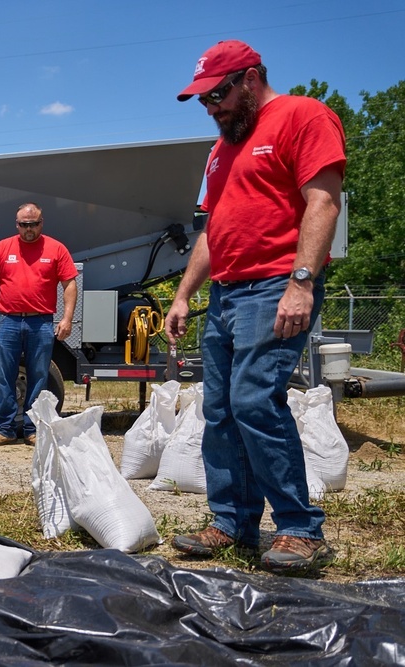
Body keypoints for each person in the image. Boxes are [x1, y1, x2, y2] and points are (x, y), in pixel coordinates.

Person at [166, 40, 346, 573]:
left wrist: (301, 281)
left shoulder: (303, 116)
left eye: (217, 95)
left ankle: (298, 528)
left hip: (275, 286)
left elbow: (324, 201)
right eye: (202, 100)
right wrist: (183, 294)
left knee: (252, 400)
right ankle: (232, 522)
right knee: (218, 409)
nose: (211, 107)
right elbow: (212, 230)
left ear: (250, 78)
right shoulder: (222, 148)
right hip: (225, 291)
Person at [0, 202, 77, 448]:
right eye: (24, 224)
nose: (29, 229)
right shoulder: (2, 248)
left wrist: (67, 318)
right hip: (7, 321)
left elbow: (70, 285)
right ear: (17, 224)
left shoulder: (57, 249)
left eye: (34, 224)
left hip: (41, 323)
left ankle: (33, 430)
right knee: (3, 376)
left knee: (39, 376)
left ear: (41, 223)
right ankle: (4, 430)